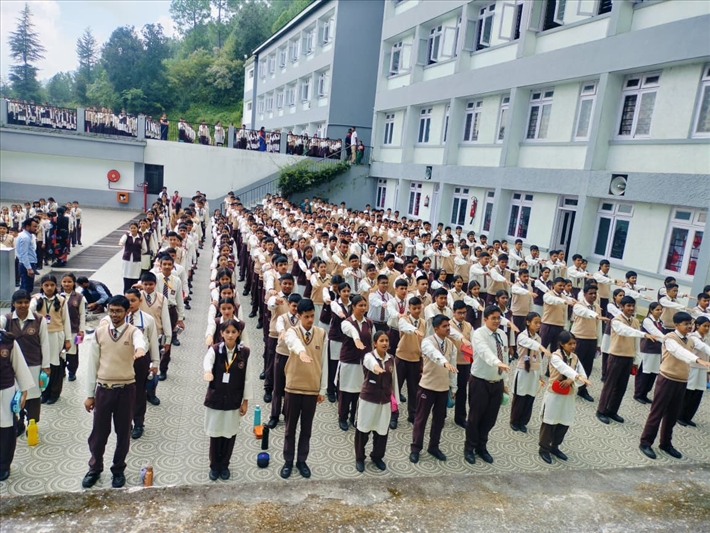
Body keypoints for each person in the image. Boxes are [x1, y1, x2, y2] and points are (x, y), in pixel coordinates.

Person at [82, 296, 146, 489]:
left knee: (123, 433)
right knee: (98, 433)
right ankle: (94, 468)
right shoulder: (100, 333)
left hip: (126, 390)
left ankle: (118, 469)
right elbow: (92, 364)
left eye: (118, 311)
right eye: (111, 310)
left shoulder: (133, 332)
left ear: (127, 312)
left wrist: (140, 350)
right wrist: (90, 395)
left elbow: (140, 342)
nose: (114, 314)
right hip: (104, 390)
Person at [639, 312, 710, 460]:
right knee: (657, 412)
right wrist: (698, 360)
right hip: (667, 379)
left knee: (672, 414)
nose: (689, 326)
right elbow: (679, 352)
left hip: (682, 381)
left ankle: (666, 443)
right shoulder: (669, 338)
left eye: (690, 324)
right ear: (676, 325)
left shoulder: (691, 339)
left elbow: (704, 347)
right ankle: (645, 442)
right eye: (686, 324)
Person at [281, 299, 328, 479]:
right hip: (293, 387)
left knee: (306, 429)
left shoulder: (321, 333)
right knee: (290, 428)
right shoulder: (292, 332)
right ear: (299, 316)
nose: (310, 320)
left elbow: (324, 363)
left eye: (312, 316)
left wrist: (322, 389)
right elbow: (293, 343)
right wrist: (301, 352)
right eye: (306, 316)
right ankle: (288, 461)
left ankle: (302, 461)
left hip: (311, 389)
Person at [203, 319, 251, 480]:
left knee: (229, 434)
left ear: (238, 333)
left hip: (233, 399)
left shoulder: (244, 353)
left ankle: (224, 464)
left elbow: (248, 379)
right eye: (227, 332)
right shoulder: (215, 350)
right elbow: (207, 361)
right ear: (221, 333)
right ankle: (214, 465)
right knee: (215, 433)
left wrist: (245, 401)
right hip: (216, 399)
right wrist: (207, 371)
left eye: (233, 332)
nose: (230, 335)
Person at [465, 305, 511, 465]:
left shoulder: (502, 335)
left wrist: (505, 382)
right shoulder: (479, 334)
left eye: (499, 318)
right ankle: (469, 448)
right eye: (493, 318)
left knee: (490, 418)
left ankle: (481, 447)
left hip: (497, 383)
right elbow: (485, 352)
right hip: (480, 382)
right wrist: (497, 363)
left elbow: (505, 357)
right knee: (475, 417)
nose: (497, 321)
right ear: (485, 319)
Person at [409, 314, 458, 463]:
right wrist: (444, 362)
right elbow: (433, 353)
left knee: (439, 420)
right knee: (421, 419)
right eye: (444, 326)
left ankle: (434, 447)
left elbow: (453, 368)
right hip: (427, 387)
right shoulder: (427, 342)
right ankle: (415, 448)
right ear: (436, 328)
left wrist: (453, 387)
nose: (448, 328)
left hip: (443, 388)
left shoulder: (451, 345)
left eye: (448, 325)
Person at [596, 296, 653, 425]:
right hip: (616, 356)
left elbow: (636, 342)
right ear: (621, 306)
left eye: (633, 306)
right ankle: (601, 411)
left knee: (621, 387)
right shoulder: (616, 320)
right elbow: (625, 331)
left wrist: (636, 359)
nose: (631, 308)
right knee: (610, 385)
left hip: (628, 357)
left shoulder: (635, 321)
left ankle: (612, 410)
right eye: (628, 306)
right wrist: (644, 334)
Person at [1, 290, 50, 435]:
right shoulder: (7, 319)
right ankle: (19, 423)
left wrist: (46, 366)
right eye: (19, 302)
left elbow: (45, 343)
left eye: (26, 302)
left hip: (34, 365)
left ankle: (32, 424)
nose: (23, 305)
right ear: (13, 303)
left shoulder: (39, 319)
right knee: (17, 397)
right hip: (13, 368)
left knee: (33, 398)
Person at [538, 331, 592, 464]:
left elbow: (582, 374)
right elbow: (564, 368)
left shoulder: (574, 358)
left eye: (574, 343)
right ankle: (544, 449)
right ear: (562, 344)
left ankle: (555, 446)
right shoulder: (555, 357)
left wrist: (572, 380)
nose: (573, 346)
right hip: (554, 395)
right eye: (570, 344)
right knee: (549, 422)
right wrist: (575, 377)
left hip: (568, 395)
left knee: (564, 422)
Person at [354, 331, 397, 472]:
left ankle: (377, 456)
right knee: (363, 430)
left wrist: (395, 401)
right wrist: (377, 368)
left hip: (384, 401)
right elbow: (371, 363)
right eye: (381, 341)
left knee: (382, 431)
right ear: (374, 343)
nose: (385, 343)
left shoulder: (391, 359)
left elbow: (394, 382)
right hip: (368, 400)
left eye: (386, 340)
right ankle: (360, 458)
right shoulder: (369, 356)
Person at [31, 275, 71, 404]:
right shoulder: (36, 300)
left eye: (52, 285)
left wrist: (68, 339)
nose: (49, 288)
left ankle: (54, 392)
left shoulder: (61, 300)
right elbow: (29, 312)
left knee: (55, 364)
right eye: (46, 285)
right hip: (40, 336)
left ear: (56, 286)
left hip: (56, 335)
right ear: (41, 286)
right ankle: (44, 391)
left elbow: (66, 321)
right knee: (43, 364)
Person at [0, 329, 34, 482]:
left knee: (6, 429)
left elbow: (19, 366)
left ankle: (4, 465)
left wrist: (24, 390)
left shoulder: (7, 341)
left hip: (5, 392)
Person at [338, 295, 373, 431]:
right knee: (346, 392)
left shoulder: (369, 323)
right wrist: (357, 340)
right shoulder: (346, 323)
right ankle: (342, 417)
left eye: (365, 305)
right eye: (360, 305)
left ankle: (354, 416)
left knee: (359, 392)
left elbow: (372, 341)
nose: (363, 308)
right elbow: (352, 331)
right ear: (353, 307)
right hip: (349, 363)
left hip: (363, 363)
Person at [510, 312, 550, 433]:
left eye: (539, 323)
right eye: (535, 323)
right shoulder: (522, 336)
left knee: (530, 397)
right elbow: (530, 343)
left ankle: (523, 422)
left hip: (534, 371)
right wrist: (542, 348)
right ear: (528, 322)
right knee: (520, 396)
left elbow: (538, 358)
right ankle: (514, 421)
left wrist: (540, 374)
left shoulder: (538, 337)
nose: (538, 325)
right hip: (523, 370)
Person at [570, 284, 607, 403]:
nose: (593, 296)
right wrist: (596, 315)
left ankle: (582, 389)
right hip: (579, 339)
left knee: (587, 367)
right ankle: (568, 385)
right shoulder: (579, 305)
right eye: (590, 293)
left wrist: (598, 344)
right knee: (574, 364)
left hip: (591, 340)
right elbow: (584, 312)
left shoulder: (597, 307)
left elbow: (598, 326)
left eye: (595, 293)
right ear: (584, 294)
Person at [678, 315, 709, 427]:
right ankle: (679, 415)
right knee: (688, 392)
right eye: (705, 326)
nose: (707, 328)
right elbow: (703, 348)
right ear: (697, 325)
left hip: (702, 369)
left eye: (708, 326)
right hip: (693, 368)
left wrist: (708, 372)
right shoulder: (693, 337)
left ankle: (688, 417)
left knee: (698, 394)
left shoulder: (707, 338)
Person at [634, 302, 666, 405]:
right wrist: (667, 341)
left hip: (657, 351)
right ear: (651, 310)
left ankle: (645, 394)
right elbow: (655, 333)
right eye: (657, 310)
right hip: (648, 350)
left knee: (653, 373)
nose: (660, 312)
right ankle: (638, 394)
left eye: (661, 310)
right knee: (645, 372)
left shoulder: (660, 322)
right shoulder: (647, 321)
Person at [60, 273, 86, 382]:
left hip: (73, 329)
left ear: (74, 283)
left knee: (72, 353)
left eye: (69, 282)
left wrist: (81, 330)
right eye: (64, 281)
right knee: (60, 352)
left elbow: (82, 314)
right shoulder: (57, 296)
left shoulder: (79, 297)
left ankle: (72, 372)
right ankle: (61, 371)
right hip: (59, 330)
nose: (67, 284)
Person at [119, 222, 147, 293]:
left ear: (137, 228)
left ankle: (134, 294)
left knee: (135, 279)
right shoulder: (127, 236)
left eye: (134, 228)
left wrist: (138, 253)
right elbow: (121, 241)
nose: (133, 229)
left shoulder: (141, 238)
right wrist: (121, 244)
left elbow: (145, 249)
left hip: (136, 261)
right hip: (127, 261)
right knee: (126, 280)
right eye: (131, 228)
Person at [16, 218, 38, 293]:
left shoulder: (24, 235)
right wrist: (29, 268)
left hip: (25, 263)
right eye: (34, 226)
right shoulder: (25, 238)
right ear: (27, 226)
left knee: (24, 286)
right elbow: (24, 254)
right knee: (27, 288)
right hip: (27, 264)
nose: (36, 228)